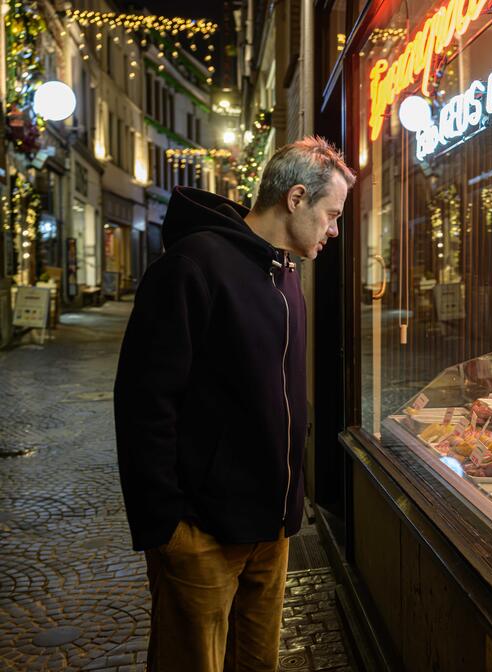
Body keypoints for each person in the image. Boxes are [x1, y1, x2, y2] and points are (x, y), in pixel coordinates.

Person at [114, 136, 355, 671]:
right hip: (202, 533)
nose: (335, 230)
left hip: (272, 529)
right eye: (331, 214)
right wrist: (169, 527)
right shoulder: (192, 265)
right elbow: (143, 403)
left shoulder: (285, 273)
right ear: (296, 198)